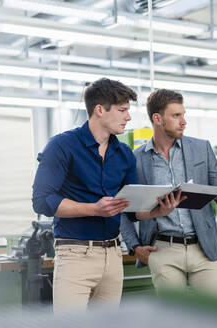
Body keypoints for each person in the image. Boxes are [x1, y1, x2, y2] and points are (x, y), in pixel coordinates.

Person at [120, 89, 217, 294]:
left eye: (184, 115)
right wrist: (135, 248)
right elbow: (124, 209)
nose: (183, 121)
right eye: (176, 116)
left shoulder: (201, 149)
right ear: (157, 119)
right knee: (175, 317)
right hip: (163, 250)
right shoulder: (135, 159)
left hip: (203, 250)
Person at [32, 78, 137, 312]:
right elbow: (41, 200)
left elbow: (134, 208)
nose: (128, 117)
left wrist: (160, 208)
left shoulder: (125, 155)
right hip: (75, 254)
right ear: (99, 110)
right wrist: (93, 209)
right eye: (122, 110)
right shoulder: (62, 146)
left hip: (113, 255)